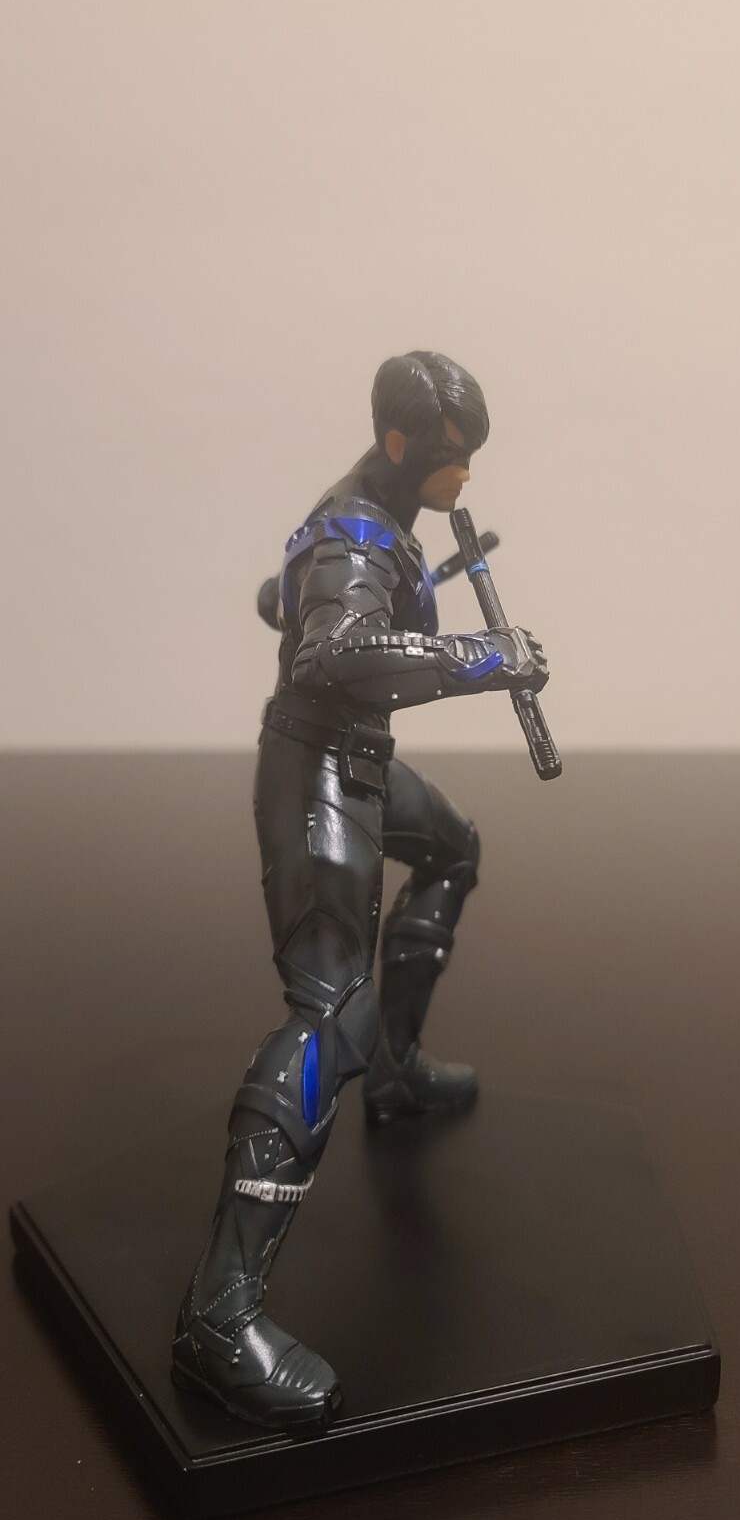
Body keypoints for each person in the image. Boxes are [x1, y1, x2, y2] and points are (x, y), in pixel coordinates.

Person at [172, 352, 549, 1430]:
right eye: (452, 456)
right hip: (317, 775)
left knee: (452, 847)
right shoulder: (355, 530)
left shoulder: (370, 518)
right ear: (399, 443)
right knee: (328, 1010)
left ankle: (395, 1073)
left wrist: (329, 593)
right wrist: (482, 658)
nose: (465, 474)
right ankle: (217, 1314)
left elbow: (282, 601)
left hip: (362, 760)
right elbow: (327, 657)